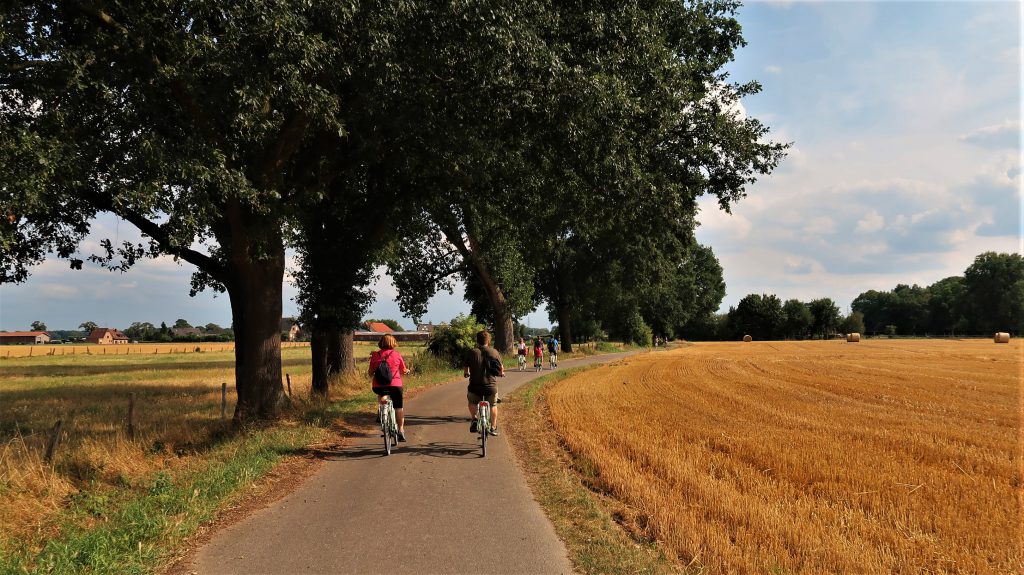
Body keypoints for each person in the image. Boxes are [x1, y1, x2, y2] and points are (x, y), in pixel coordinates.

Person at [368, 334, 410, 441]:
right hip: (395, 385)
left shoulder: (375, 355)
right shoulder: (396, 354)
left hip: (378, 386)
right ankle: (401, 430)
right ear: (393, 343)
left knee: (382, 394)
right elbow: (403, 370)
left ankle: (381, 410)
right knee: (399, 408)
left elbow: (370, 372)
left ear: (381, 343)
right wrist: (406, 371)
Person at [463, 330, 504, 436]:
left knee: (472, 401)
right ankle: (493, 427)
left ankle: (474, 419)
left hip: (475, 387)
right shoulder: (494, 352)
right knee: (493, 404)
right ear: (488, 341)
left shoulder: (472, 352)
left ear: (477, 341)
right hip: (491, 388)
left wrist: (466, 373)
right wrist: (501, 373)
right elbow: (500, 369)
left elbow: (466, 367)